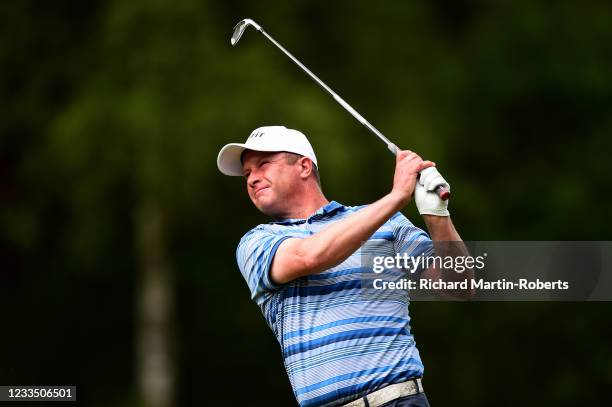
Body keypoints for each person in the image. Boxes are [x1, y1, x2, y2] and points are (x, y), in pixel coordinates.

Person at [217, 125, 472, 407]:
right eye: (247, 173)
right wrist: (396, 197)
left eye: (263, 164)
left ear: (304, 166)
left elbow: (458, 287)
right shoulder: (257, 242)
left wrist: (437, 216)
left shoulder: (387, 222)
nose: (253, 178)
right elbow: (309, 257)